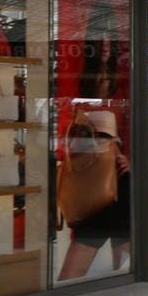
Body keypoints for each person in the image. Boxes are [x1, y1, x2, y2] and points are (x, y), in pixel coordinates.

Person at [57, 111, 130, 280]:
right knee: (123, 267)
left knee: (75, 269)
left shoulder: (79, 148)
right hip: (111, 206)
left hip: (98, 210)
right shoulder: (113, 151)